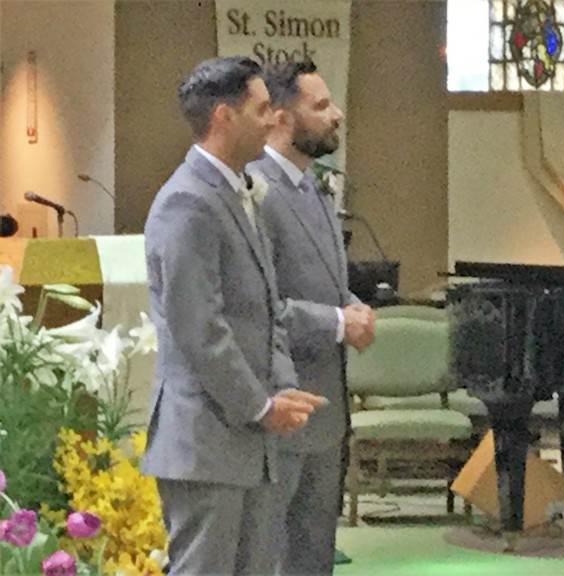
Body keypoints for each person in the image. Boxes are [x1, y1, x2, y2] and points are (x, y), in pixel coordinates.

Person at [141, 56, 327, 576]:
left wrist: (283, 387)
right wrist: (260, 405)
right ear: (224, 116)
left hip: (248, 441)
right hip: (206, 443)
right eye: (262, 109)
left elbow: (268, 307)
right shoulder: (187, 201)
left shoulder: (237, 192)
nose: (273, 120)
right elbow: (200, 329)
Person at [246, 59, 375, 576]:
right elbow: (259, 304)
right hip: (283, 402)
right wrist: (338, 323)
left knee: (314, 557)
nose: (336, 114)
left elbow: (323, 283)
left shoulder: (314, 187)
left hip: (327, 409)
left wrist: (353, 305)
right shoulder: (254, 191)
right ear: (280, 116)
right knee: (273, 557)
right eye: (320, 106)